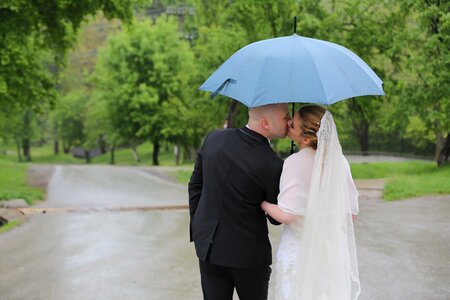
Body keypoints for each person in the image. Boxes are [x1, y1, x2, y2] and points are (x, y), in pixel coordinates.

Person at [189, 103, 290, 300]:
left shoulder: (214, 138)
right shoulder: (273, 163)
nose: (290, 121)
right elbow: (276, 219)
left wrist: (199, 226)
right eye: (285, 117)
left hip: (209, 248)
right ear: (265, 123)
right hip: (249, 257)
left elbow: (195, 185)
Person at [261, 105, 360, 299]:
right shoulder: (339, 161)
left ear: (306, 138)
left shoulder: (294, 162)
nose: (289, 123)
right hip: (331, 251)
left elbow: (286, 215)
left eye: (294, 124)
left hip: (299, 251)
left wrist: (263, 203)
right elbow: (351, 215)